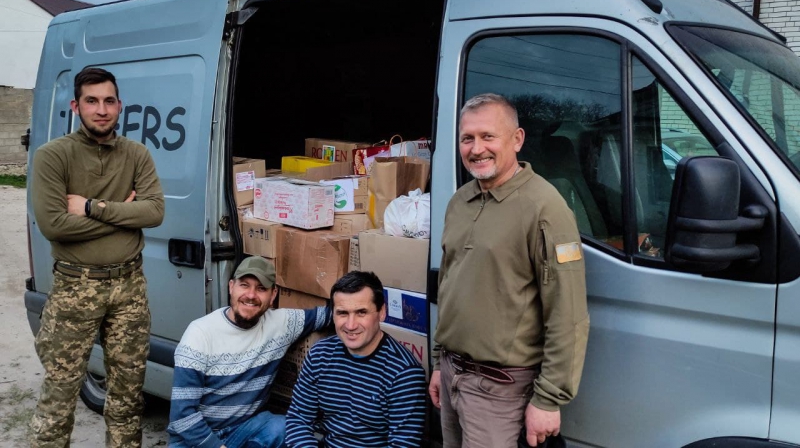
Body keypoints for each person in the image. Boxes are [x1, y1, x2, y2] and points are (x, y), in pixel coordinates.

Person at [428, 93, 590, 447]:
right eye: (467, 138)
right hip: (454, 375)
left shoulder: (544, 207)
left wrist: (548, 399)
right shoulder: (460, 202)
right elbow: (451, 288)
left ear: (517, 139)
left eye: (488, 136)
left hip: (500, 389)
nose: (476, 148)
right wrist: (440, 364)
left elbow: (568, 314)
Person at [29, 67, 165, 447]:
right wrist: (124, 214)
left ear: (119, 106)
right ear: (76, 106)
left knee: (127, 399)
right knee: (59, 400)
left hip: (129, 289)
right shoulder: (53, 156)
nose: (101, 109)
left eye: (108, 101)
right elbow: (54, 225)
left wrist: (91, 207)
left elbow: (154, 212)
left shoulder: (136, 154)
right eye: (91, 101)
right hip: (76, 287)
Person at [167, 255, 331, 448]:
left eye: (261, 288)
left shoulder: (281, 324)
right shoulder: (200, 335)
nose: (251, 295)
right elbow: (182, 416)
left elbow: (335, 313)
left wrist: (373, 306)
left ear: (273, 295)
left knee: (284, 428)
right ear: (231, 287)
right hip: (194, 440)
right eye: (244, 285)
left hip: (243, 429)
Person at [285, 271, 427, 448]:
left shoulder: (403, 372)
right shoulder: (320, 355)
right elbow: (298, 419)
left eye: (361, 312)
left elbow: (403, 444)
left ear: (382, 312)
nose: (351, 325)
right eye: (342, 313)